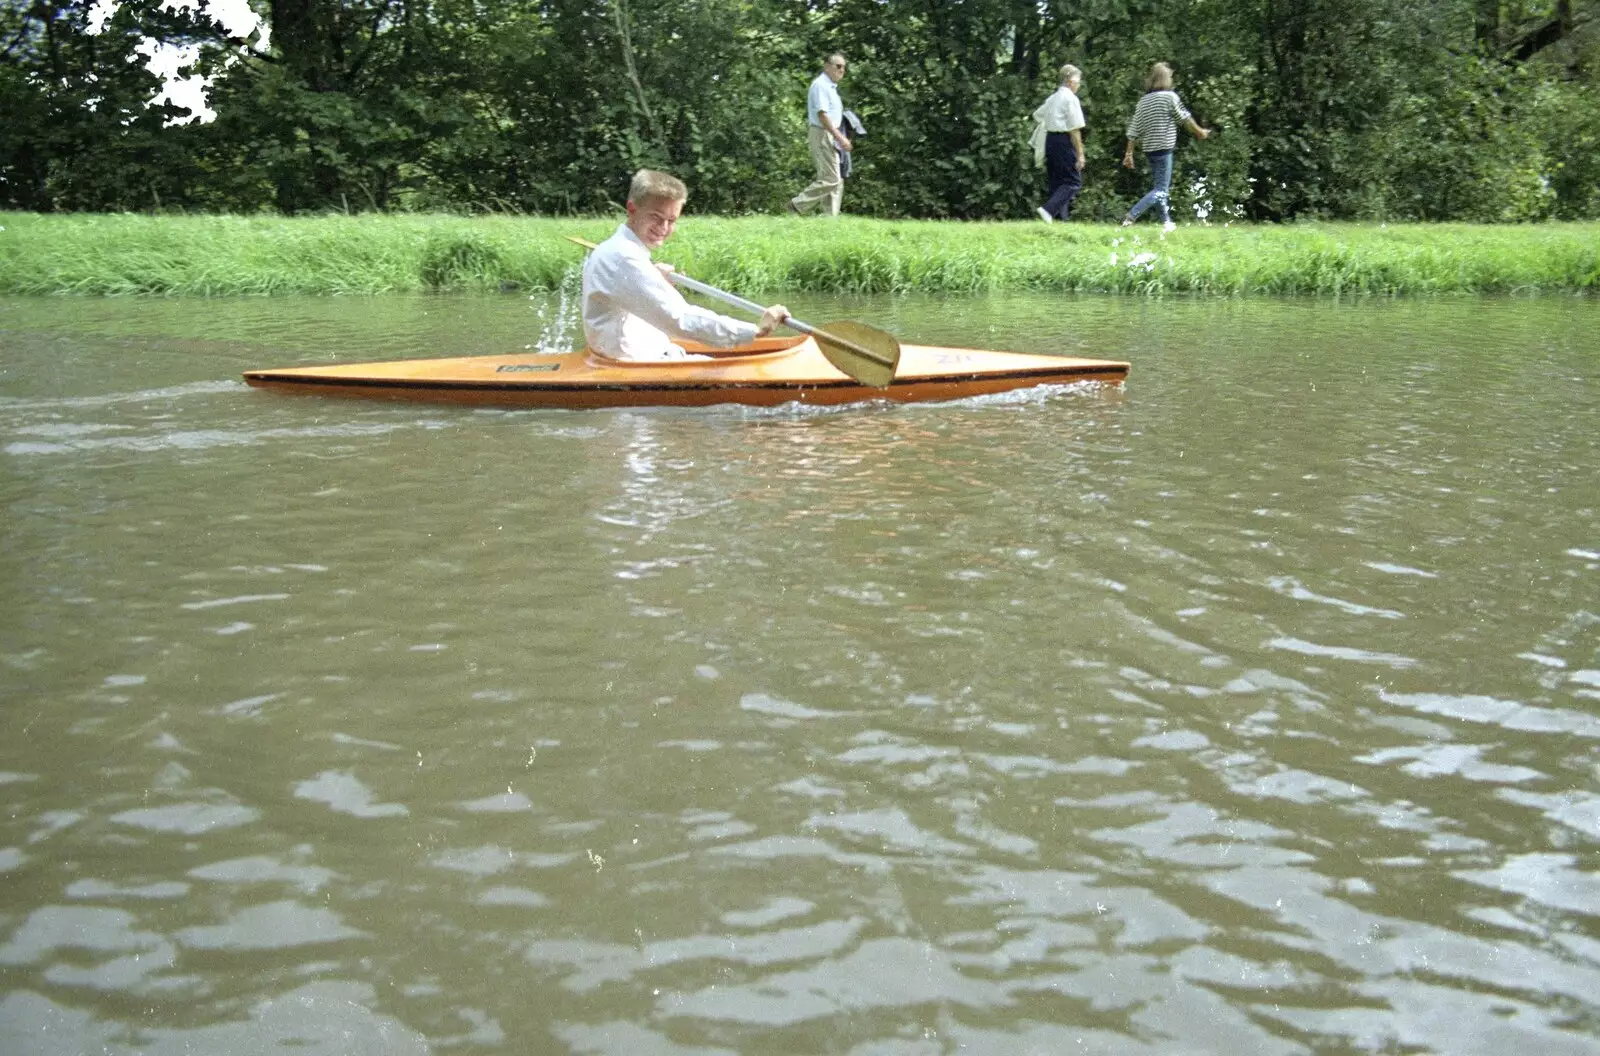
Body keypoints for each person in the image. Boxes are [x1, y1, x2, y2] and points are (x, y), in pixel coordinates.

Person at [583, 169, 788, 361]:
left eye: (671, 220)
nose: (663, 228)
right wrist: (755, 331)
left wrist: (652, 276)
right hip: (636, 364)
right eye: (656, 217)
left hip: (642, 355)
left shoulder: (619, 251)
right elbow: (681, 319)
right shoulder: (625, 259)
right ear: (632, 209)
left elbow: (629, 289)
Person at [1120, 62, 1210, 230]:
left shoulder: (1143, 102)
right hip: (1164, 148)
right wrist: (1200, 132)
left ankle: (1167, 223)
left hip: (1149, 149)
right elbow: (1184, 118)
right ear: (1165, 79)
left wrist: (1129, 154)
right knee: (1161, 190)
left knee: (1159, 187)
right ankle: (1131, 215)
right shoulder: (1169, 97)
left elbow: (1133, 130)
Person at [789, 54, 851, 216]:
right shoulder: (820, 85)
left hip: (830, 134)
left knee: (834, 178)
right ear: (827, 66)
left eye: (844, 67)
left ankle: (829, 218)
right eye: (838, 66)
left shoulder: (830, 87)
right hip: (823, 134)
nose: (842, 70)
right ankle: (797, 205)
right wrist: (840, 137)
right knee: (831, 178)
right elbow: (823, 116)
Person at [1031, 64, 1086, 223]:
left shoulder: (1053, 97)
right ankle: (1048, 210)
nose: (1078, 85)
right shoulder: (1070, 99)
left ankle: (1061, 220)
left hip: (1050, 140)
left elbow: (1038, 115)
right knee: (1073, 181)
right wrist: (1080, 155)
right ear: (1070, 81)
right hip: (1063, 140)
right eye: (1077, 81)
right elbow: (1075, 129)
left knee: (1057, 181)